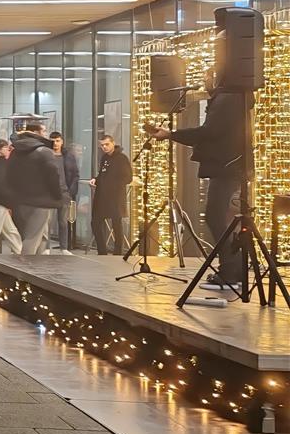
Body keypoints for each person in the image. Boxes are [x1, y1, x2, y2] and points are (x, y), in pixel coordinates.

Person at [151, 72, 247, 288]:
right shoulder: (230, 97)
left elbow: (208, 132)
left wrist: (171, 134)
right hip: (227, 167)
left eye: (207, 76)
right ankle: (236, 269)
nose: (204, 81)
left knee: (216, 217)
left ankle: (230, 272)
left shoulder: (227, 98)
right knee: (222, 218)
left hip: (226, 168)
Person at [7, 122, 65, 255]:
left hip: (21, 200)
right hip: (41, 201)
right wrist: (58, 196)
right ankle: (25, 265)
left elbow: (9, 174)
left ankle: (38, 262)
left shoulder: (16, 151)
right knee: (32, 238)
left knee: (40, 234)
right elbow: (53, 176)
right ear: (36, 133)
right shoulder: (44, 152)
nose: (45, 134)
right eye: (43, 131)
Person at [89, 133, 133, 256]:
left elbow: (128, 177)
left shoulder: (122, 158)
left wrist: (113, 185)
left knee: (116, 223)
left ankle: (118, 252)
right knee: (95, 222)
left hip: (115, 196)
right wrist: (96, 179)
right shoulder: (104, 158)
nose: (104, 147)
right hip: (102, 196)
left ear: (113, 143)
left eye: (107, 144)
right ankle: (102, 251)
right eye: (102, 145)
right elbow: (102, 174)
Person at [49, 132, 80, 253]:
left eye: (57, 141)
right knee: (48, 222)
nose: (55, 144)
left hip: (64, 192)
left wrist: (71, 191)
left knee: (63, 222)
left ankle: (64, 247)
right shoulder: (46, 155)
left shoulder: (68, 156)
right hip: (49, 193)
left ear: (62, 141)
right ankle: (46, 247)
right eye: (53, 141)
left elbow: (75, 174)